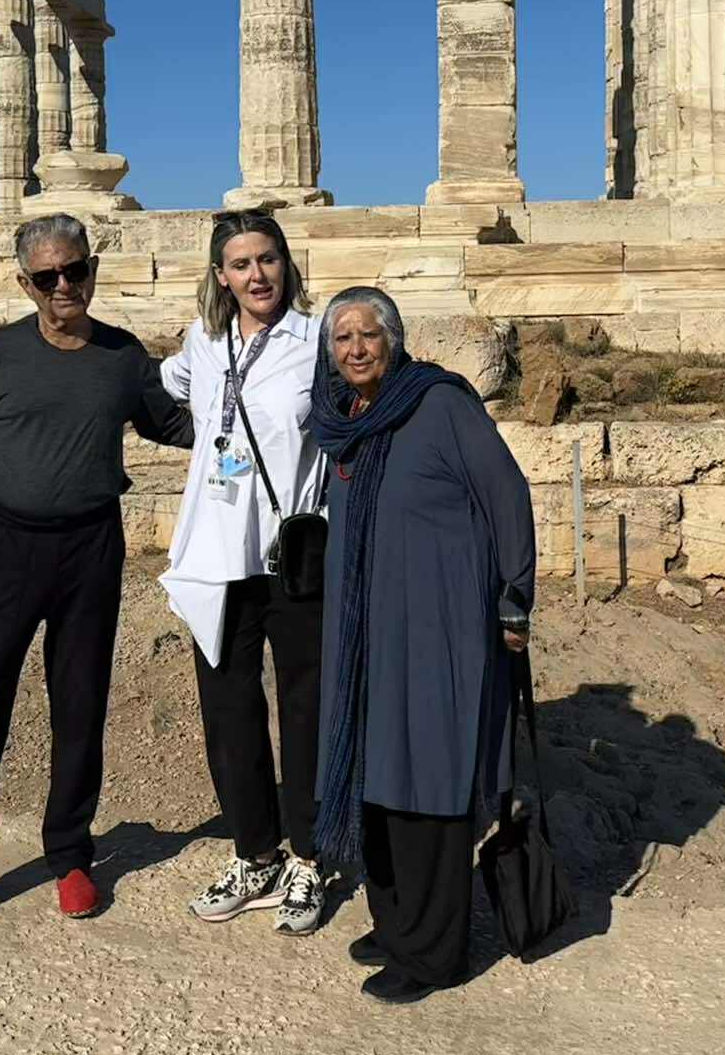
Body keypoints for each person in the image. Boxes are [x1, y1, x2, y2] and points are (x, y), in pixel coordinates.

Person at [0, 213, 195, 938]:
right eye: (47, 276)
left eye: (74, 270)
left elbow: (174, 425)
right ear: (26, 284)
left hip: (89, 545)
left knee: (79, 703)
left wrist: (259, 410)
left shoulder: (122, 355)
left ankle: (71, 855)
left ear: (92, 271)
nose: (63, 286)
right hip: (4, 547)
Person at [310, 285, 536, 1005]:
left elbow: (507, 495)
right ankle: (396, 923)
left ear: (395, 340)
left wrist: (515, 599)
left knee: (427, 784)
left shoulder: (439, 405)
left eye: (369, 334)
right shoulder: (347, 418)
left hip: (438, 630)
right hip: (368, 635)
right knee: (377, 779)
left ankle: (434, 953)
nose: (356, 349)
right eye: (342, 338)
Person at [158, 210, 328, 933]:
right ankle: (255, 852)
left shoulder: (317, 340)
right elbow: (160, 396)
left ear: (286, 264)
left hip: (292, 555)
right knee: (228, 711)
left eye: (268, 259)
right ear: (220, 276)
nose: (257, 275)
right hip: (218, 555)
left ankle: (311, 858)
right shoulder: (202, 343)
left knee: (306, 709)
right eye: (241, 263)